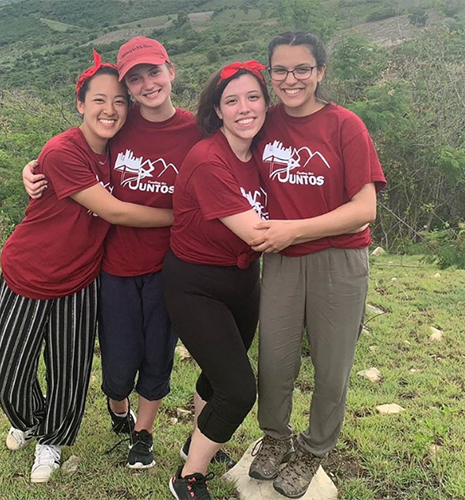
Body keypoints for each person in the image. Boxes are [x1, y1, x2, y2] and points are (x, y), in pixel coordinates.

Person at [23, 37, 235, 471]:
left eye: (153, 72)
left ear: (171, 71)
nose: (147, 84)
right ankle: (119, 408)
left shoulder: (199, 129)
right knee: (118, 366)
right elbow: (75, 148)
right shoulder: (122, 123)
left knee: (158, 355)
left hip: (171, 267)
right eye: (134, 79)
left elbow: (245, 151)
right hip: (115, 265)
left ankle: (144, 434)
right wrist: (31, 169)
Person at [0, 50, 173, 484]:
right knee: (10, 371)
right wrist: (180, 215)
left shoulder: (119, 147)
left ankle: (51, 440)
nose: (110, 110)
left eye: (119, 101)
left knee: (69, 369)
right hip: (29, 272)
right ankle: (29, 417)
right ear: (80, 104)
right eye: (99, 100)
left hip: (83, 277)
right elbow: (116, 211)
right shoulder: (61, 150)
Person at [246, 31, 387, 499]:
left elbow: (364, 207)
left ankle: (314, 449)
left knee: (331, 367)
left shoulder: (344, 125)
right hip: (282, 262)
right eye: (280, 70)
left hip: (339, 260)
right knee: (274, 361)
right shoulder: (262, 123)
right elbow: (206, 140)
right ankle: (275, 435)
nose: (291, 79)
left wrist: (293, 229)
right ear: (270, 74)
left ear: (320, 72)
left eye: (302, 69)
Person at [163, 61, 271, 500]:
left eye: (253, 98)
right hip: (196, 283)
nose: (244, 108)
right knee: (239, 389)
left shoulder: (263, 151)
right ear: (217, 111)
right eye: (232, 101)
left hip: (243, 280)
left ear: (267, 104)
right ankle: (188, 477)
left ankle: (197, 441)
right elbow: (257, 233)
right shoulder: (209, 159)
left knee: (216, 375)